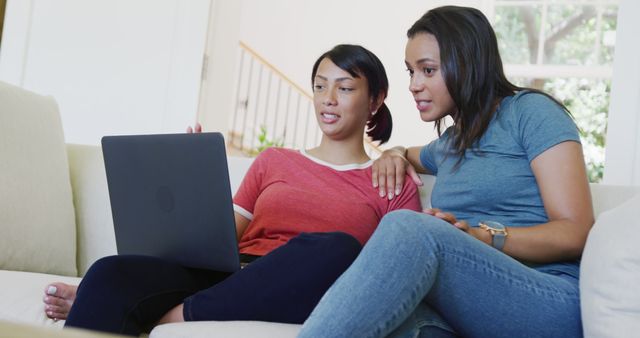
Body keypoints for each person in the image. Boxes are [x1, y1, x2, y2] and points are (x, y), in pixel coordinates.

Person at [42, 44, 422, 336]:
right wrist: (193, 187)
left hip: (309, 287)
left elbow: (395, 272)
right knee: (111, 272)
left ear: (375, 100)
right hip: (235, 276)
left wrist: (398, 153)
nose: (328, 99)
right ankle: (127, 302)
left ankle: (169, 315)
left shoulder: (392, 179)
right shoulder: (274, 160)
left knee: (334, 248)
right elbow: (221, 243)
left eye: (345, 88)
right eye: (320, 86)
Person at [297, 6, 594, 338]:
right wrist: (394, 153)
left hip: (547, 299)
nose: (413, 85)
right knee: (391, 317)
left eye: (427, 70)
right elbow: (409, 153)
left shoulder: (532, 113)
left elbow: (575, 232)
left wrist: (483, 236)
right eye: (410, 71)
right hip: (471, 305)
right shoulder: (451, 143)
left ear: (467, 64)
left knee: (409, 227)